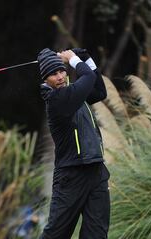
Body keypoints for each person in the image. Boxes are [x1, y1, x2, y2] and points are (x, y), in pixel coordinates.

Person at [38, 48, 110, 239]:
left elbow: (100, 91)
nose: (60, 76)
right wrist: (73, 59)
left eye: (61, 71)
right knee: (56, 234)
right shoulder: (57, 99)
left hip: (96, 171)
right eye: (53, 74)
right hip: (71, 175)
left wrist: (86, 56)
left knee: (96, 234)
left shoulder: (74, 93)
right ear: (45, 80)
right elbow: (87, 76)